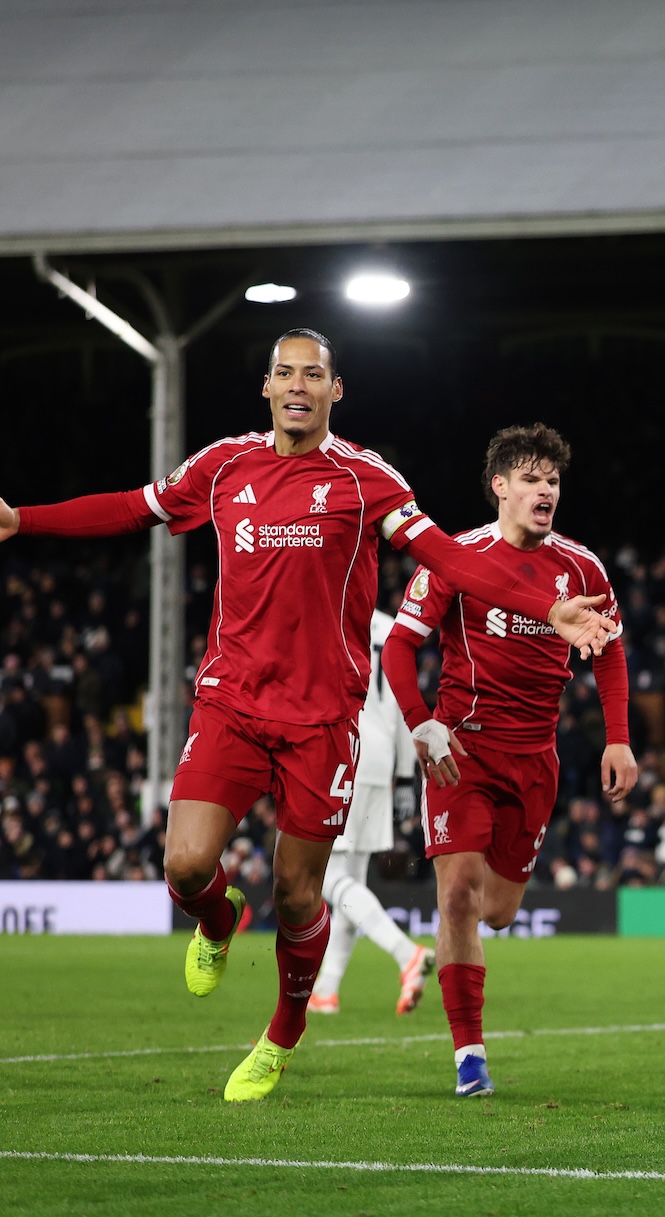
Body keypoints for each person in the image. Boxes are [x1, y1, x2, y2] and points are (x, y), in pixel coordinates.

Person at [0, 330, 615, 1102]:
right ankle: (219, 921)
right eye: (285, 372)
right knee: (186, 865)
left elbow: (450, 560)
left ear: (335, 389)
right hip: (230, 700)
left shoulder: (366, 480)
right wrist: (22, 520)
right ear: (266, 387)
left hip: (322, 721)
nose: (298, 384)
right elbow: (134, 509)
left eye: (313, 373)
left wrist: (545, 604)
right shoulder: (224, 465)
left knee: (299, 895)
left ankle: (282, 1031)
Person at [381, 424, 637, 1099]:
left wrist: (618, 736)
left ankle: (462, 972)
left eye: (551, 479)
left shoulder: (582, 569)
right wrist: (421, 721)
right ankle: (469, 1055)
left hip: (535, 761)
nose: (544, 489)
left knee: (496, 911)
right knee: (458, 896)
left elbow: (608, 651)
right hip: (460, 752)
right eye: (530, 478)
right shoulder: (456, 557)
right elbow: (398, 649)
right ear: (500, 486)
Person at [307, 606, 434, 1018]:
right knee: (353, 880)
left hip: (344, 749)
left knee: (325, 877)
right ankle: (326, 989)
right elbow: (401, 703)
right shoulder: (390, 628)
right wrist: (401, 775)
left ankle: (405, 953)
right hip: (380, 757)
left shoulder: (333, 620)